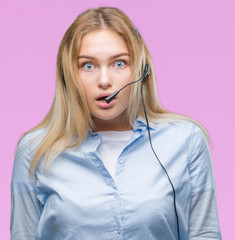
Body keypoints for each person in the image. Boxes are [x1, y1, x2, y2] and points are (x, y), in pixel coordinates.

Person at [10, 7, 222, 240]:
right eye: (88, 66)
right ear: (68, 74)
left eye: (119, 63)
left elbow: (205, 234)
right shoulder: (34, 151)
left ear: (141, 70)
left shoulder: (186, 140)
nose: (104, 81)